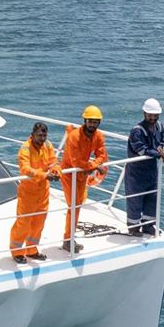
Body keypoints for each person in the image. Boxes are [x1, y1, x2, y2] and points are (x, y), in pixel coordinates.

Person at [60, 105, 111, 252]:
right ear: (85, 120)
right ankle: (67, 240)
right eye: (90, 121)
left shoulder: (98, 136)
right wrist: (95, 167)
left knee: (77, 206)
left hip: (82, 174)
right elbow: (76, 162)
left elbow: (101, 155)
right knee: (74, 207)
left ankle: (70, 238)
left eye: (95, 122)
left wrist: (94, 165)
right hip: (70, 174)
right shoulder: (74, 137)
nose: (92, 125)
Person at [9, 122, 60, 262]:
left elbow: (53, 161)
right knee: (23, 223)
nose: (42, 138)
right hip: (28, 193)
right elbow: (25, 169)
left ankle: (31, 250)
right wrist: (44, 175)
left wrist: (56, 170)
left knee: (38, 223)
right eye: (39, 135)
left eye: (44, 135)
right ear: (32, 135)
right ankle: (16, 252)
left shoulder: (48, 145)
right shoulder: (25, 148)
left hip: (43, 192)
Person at [125, 98, 164, 234]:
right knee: (135, 199)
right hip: (136, 173)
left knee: (152, 198)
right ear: (144, 113)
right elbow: (141, 150)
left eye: (155, 115)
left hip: (151, 171)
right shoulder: (137, 131)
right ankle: (133, 228)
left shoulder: (160, 126)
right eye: (150, 115)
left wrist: (160, 149)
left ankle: (148, 226)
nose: (153, 118)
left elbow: (161, 141)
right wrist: (159, 154)